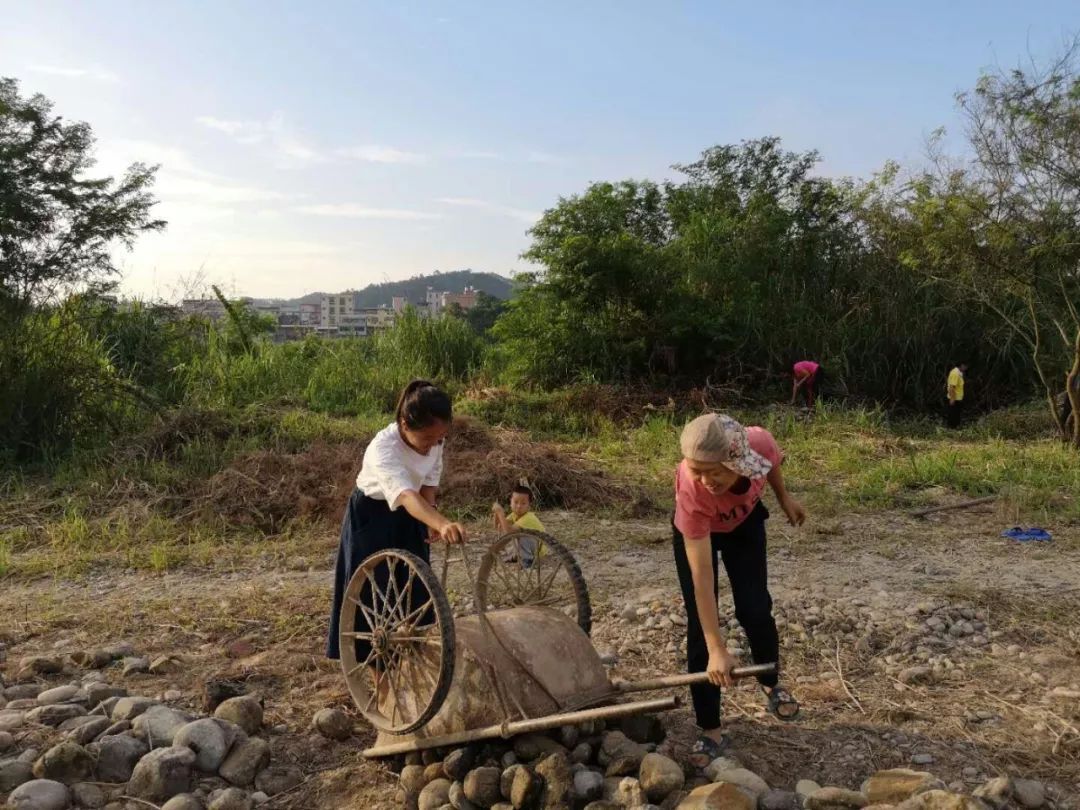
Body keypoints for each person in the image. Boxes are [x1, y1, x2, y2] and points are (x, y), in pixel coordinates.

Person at [672, 413, 806, 765]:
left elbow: (772, 463)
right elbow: (702, 576)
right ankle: (710, 728)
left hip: (744, 525)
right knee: (701, 630)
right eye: (697, 470)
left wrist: (784, 499)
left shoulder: (758, 442)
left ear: (738, 462)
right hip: (700, 533)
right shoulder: (692, 491)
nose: (706, 480)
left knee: (756, 608)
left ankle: (770, 680)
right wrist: (718, 648)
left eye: (714, 471)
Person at [326, 379, 467, 661]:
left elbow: (428, 482)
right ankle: (378, 675)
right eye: (426, 439)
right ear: (404, 424)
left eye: (439, 438)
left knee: (414, 590)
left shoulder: (436, 442)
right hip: (372, 516)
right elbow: (404, 494)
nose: (433, 446)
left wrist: (431, 515)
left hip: (412, 513)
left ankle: (412, 659)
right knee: (373, 595)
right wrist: (440, 522)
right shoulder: (383, 449)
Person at [492, 485, 545, 566]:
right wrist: (496, 513)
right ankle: (516, 555)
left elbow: (508, 532)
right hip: (529, 546)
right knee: (511, 532)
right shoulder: (514, 515)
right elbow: (498, 526)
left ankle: (528, 560)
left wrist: (501, 513)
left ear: (529, 505)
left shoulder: (528, 517)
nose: (519, 506)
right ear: (510, 502)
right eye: (516, 502)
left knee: (520, 535)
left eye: (523, 503)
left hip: (537, 549)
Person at [947, 363, 968, 428]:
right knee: (953, 415)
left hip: (958, 398)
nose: (966, 368)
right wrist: (952, 399)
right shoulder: (955, 373)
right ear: (962, 365)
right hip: (954, 398)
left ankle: (955, 427)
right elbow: (952, 387)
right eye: (965, 366)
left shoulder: (959, 373)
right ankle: (952, 428)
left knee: (956, 414)